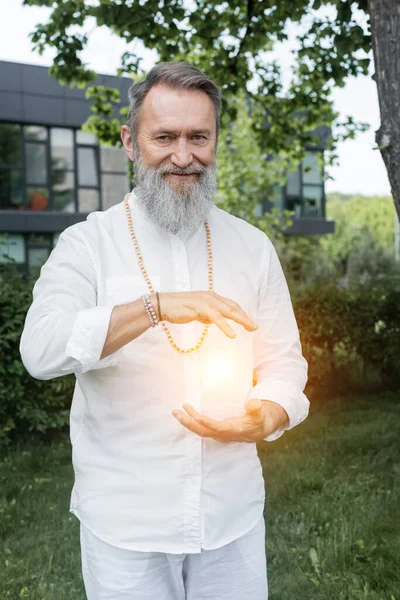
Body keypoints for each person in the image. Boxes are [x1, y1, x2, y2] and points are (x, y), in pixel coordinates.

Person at [19, 61, 309, 600]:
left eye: (199, 137)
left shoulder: (252, 247)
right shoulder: (88, 244)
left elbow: (284, 364)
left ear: (216, 140)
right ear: (131, 142)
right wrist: (153, 307)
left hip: (233, 517)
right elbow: (40, 350)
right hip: (126, 526)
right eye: (165, 137)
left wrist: (269, 412)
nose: (183, 155)